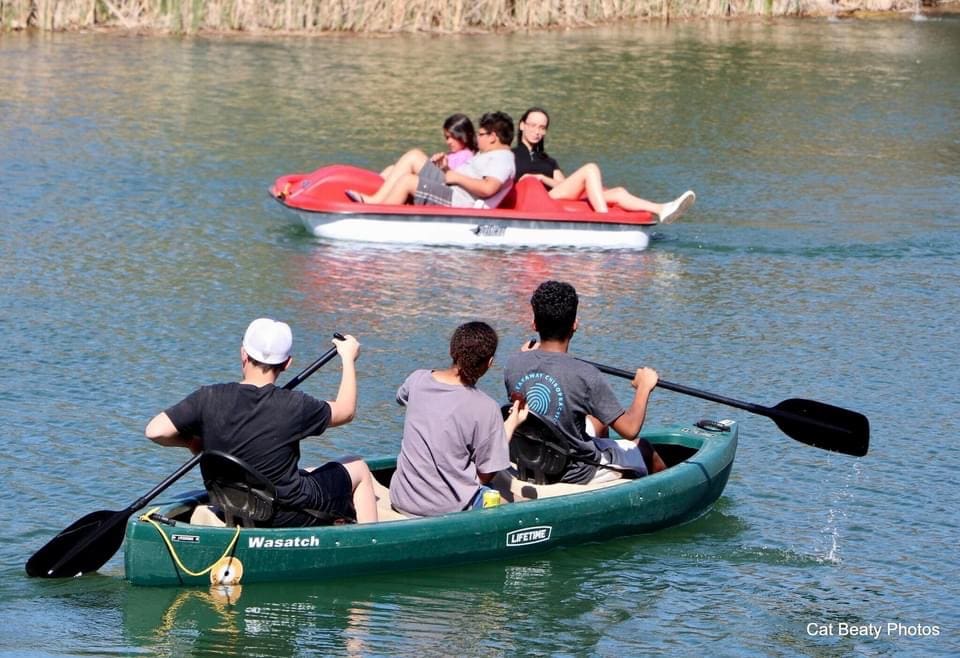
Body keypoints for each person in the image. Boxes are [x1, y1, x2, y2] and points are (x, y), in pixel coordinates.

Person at [144, 318, 378, 526]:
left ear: (243, 354)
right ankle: (371, 542)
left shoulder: (208, 397)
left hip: (231, 504)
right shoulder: (295, 404)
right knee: (358, 467)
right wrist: (348, 359)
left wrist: (193, 443)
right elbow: (346, 411)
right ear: (287, 364)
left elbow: (155, 431)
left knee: (305, 472)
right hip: (285, 512)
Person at [503, 281, 667, 485]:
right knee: (645, 449)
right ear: (574, 325)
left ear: (535, 324)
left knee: (597, 420)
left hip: (531, 457)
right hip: (575, 470)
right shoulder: (586, 375)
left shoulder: (513, 363)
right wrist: (644, 387)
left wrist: (527, 355)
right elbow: (631, 429)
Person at [389, 321, 528, 517]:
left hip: (401, 499)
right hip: (448, 509)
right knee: (509, 497)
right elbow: (486, 475)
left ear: (451, 351)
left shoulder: (417, 379)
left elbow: (401, 397)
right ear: (489, 363)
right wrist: (512, 421)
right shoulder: (486, 407)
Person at [512, 107, 695, 223]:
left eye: (542, 128)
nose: (537, 131)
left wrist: (542, 177)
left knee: (619, 192)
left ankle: (662, 209)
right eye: (533, 125)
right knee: (590, 168)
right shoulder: (510, 156)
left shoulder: (547, 160)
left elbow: (563, 186)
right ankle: (603, 218)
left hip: (554, 195)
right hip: (535, 199)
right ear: (522, 126)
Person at [346, 111, 516, 209]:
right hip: (451, 187)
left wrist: (455, 177)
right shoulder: (488, 154)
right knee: (414, 156)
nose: (477, 138)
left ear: (493, 137)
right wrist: (446, 170)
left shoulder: (502, 159)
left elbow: (488, 188)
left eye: (480, 134)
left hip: (456, 199)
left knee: (408, 181)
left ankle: (377, 212)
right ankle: (375, 200)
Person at [378, 113, 477, 181]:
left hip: (439, 187)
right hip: (433, 181)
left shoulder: (467, 156)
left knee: (413, 157)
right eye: (447, 137)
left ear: (464, 135)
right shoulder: (453, 154)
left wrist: (443, 168)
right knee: (391, 169)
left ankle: (376, 192)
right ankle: (376, 189)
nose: (448, 141)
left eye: (453, 137)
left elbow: (455, 179)